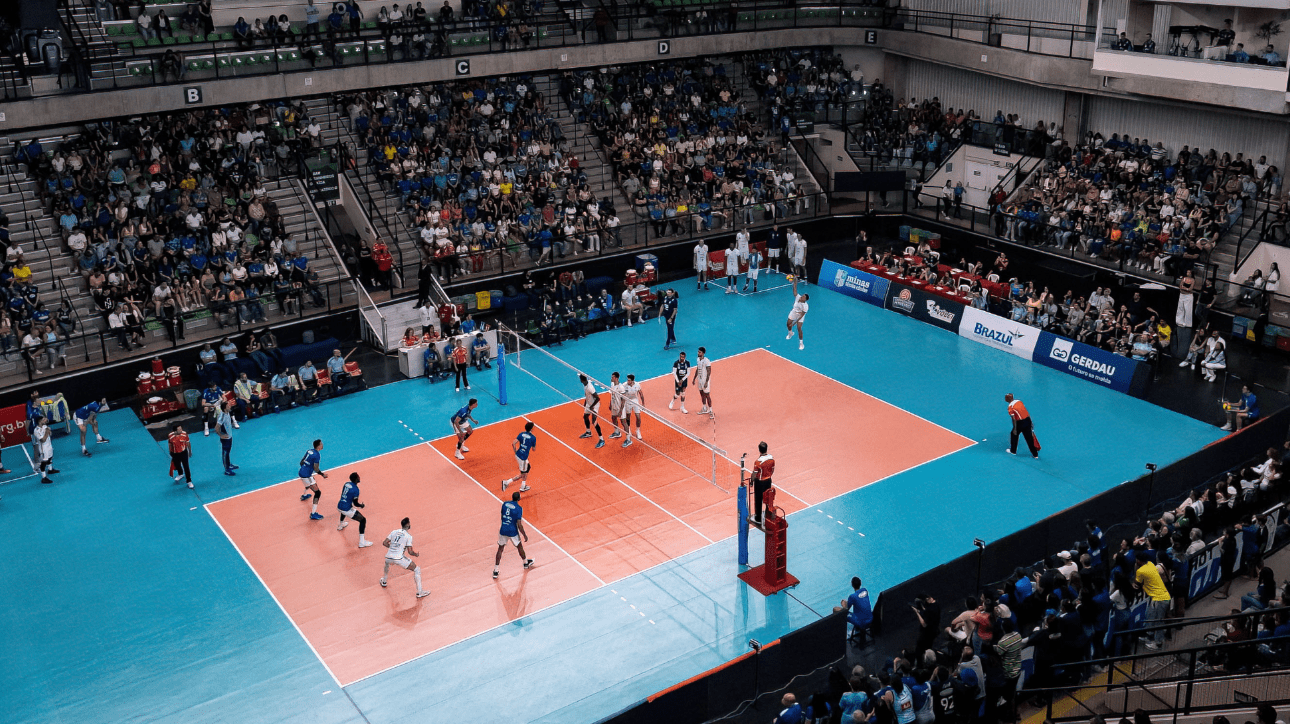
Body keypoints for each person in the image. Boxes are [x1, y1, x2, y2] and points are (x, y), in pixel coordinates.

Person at [381, 517, 431, 598]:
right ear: (408, 525)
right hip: (399, 558)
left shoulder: (394, 532)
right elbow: (410, 552)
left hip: (389, 556)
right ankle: (420, 592)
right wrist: (416, 554)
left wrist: (392, 548)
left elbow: (384, 543)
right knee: (416, 569)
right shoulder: (408, 536)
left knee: (387, 563)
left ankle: (384, 581)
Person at [493, 491, 534, 578]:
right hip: (512, 531)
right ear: (519, 499)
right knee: (519, 547)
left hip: (503, 529)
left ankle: (496, 571)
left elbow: (502, 516)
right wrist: (524, 535)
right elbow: (519, 524)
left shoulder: (504, 504)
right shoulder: (519, 508)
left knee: (500, 549)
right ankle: (525, 563)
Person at [336, 472, 373, 548]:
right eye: (358, 477)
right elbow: (355, 504)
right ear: (356, 479)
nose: (359, 478)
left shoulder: (346, 484)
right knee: (363, 520)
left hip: (339, 506)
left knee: (343, 511)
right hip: (346, 509)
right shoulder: (356, 490)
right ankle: (362, 542)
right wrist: (361, 505)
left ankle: (341, 525)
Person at [298, 439, 328, 520]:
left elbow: (301, 462)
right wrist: (322, 475)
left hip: (302, 472)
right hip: (306, 475)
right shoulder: (317, 455)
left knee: (309, 484)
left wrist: (305, 469)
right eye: (321, 444)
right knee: (318, 493)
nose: (322, 445)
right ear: (318, 446)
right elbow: (316, 468)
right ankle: (313, 514)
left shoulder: (309, 451)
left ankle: (304, 496)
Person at [502, 422, 537, 492]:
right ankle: (507, 482)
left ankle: (523, 486)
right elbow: (534, 449)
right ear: (532, 428)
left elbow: (513, 443)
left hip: (518, 455)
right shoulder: (533, 438)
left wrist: (515, 451)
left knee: (528, 467)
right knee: (523, 474)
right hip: (523, 458)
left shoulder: (521, 434)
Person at [1004, 393, 1039, 458]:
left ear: (1008, 399)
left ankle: (1013, 451)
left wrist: (1015, 428)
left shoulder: (1010, 407)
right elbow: (1025, 411)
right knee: (1029, 438)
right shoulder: (1019, 402)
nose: (1005, 399)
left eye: (1006, 398)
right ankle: (1035, 454)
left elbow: (1014, 419)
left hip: (1020, 423)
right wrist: (1030, 422)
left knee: (1014, 434)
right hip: (1027, 420)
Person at [578, 374, 606, 448]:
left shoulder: (590, 387)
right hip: (589, 403)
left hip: (595, 405)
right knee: (585, 416)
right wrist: (585, 403)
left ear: (581, 380)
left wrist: (591, 406)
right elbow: (587, 395)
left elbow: (597, 398)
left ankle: (601, 440)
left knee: (594, 421)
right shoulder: (585, 385)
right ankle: (588, 432)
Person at [751, 441, 775, 526]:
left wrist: (751, 481)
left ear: (759, 450)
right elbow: (772, 470)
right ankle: (768, 517)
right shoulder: (771, 459)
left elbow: (754, 474)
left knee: (758, 500)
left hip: (760, 482)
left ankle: (758, 518)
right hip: (768, 481)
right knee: (768, 499)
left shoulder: (758, 462)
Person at [785, 276, 809, 350]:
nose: (802, 296)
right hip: (794, 312)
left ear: (805, 299)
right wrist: (795, 281)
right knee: (788, 323)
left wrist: (795, 323)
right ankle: (790, 333)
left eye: (803, 297)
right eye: (802, 295)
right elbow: (795, 289)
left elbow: (801, 315)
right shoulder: (798, 297)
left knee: (799, 328)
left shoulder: (805, 306)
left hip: (800, 315)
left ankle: (801, 343)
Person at [620, 373, 644, 446]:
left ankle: (638, 430)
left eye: (629, 380)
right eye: (627, 379)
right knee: (628, 417)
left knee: (638, 417)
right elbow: (621, 394)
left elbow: (641, 394)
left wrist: (643, 404)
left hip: (635, 400)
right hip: (627, 401)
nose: (628, 381)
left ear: (632, 380)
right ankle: (629, 429)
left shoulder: (637, 385)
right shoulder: (624, 385)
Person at [33, 415, 57, 484]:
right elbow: (43, 440)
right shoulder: (36, 430)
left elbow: (50, 434)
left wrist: (49, 431)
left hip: (49, 445)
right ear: (40, 421)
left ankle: (50, 469)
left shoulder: (45, 426)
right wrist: (47, 431)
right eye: (44, 419)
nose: (46, 420)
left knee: (50, 457)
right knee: (44, 462)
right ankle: (44, 477)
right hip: (44, 448)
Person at [168, 423, 192, 489]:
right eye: (180, 429)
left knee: (186, 467)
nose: (181, 430)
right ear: (175, 431)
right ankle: (180, 474)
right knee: (177, 465)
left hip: (183, 453)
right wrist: (170, 452)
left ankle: (189, 481)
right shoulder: (170, 436)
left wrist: (190, 451)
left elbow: (188, 443)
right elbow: (170, 444)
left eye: (181, 428)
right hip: (175, 453)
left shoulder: (184, 434)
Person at [216, 401, 236, 476]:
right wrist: (221, 435)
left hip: (229, 436)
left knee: (228, 452)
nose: (230, 406)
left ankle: (229, 464)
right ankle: (226, 469)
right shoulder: (222, 416)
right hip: (225, 438)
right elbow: (216, 427)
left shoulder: (228, 413)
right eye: (228, 406)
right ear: (225, 408)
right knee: (225, 453)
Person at [693, 346, 713, 416]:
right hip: (700, 379)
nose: (698, 353)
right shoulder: (698, 359)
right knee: (701, 393)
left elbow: (709, 372)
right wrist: (694, 378)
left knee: (707, 395)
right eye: (698, 352)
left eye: (700, 352)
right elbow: (698, 369)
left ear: (703, 353)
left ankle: (711, 410)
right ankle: (704, 408)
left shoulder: (707, 361)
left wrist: (706, 382)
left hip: (705, 380)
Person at [608, 371, 626, 440]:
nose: (611, 378)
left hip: (620, 406)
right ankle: (617, 432)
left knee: (623, 422)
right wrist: (610, 404)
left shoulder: (621, 387)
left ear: (616, 378)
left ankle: (628, 438)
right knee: (613, 417)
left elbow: (623, 399)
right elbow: (612, 394)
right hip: (614, 405)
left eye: (612, 377)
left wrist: (621, 410)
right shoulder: (612, 384)